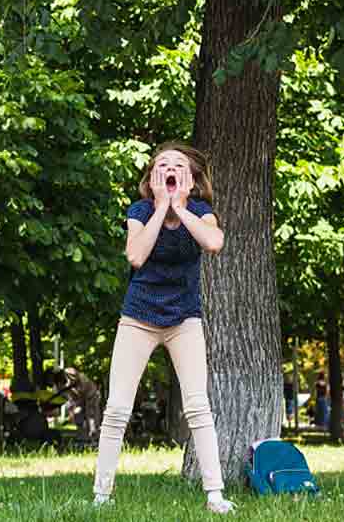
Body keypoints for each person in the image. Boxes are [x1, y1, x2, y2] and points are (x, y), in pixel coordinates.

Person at [93, 142, 234, 514]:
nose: (170, 168)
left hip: (184, 319)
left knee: (198, 407)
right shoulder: (140, 211)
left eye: (179, 165)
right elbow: (136, 255)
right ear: (153, 175)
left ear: (191, 177)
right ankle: (101, 496)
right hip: (138, 317)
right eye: (163, 164)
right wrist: (160, 208)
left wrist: (181, 207)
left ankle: (215, 496)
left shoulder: (202, 212)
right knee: (117, 409)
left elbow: (214, 243)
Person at [46, 367, 102, 441]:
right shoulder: (59, 385)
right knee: (78, 416)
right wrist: (72, 409)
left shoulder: (70, 372)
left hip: (91, 395)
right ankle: (83, 437)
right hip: (79, 399)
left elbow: (76, 383)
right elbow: (67, 397)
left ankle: (95, 437)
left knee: (91, 416)